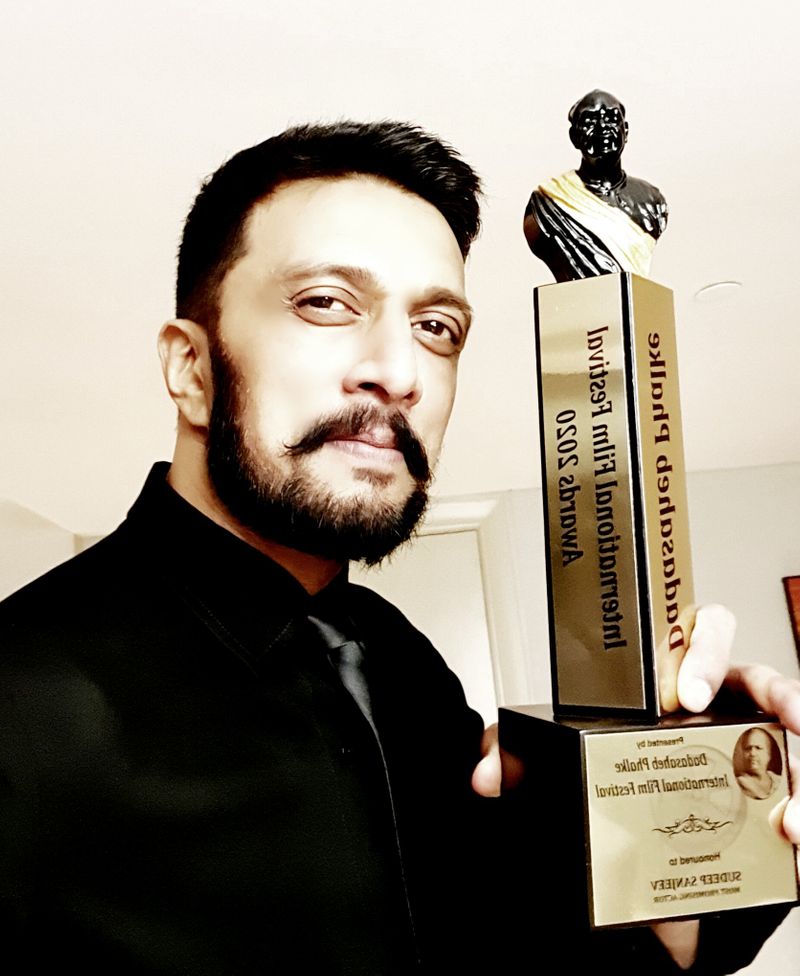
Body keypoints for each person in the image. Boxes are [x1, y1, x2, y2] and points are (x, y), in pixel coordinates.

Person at [0, 121, 797, 973]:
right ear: (191, 370)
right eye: (326, 303)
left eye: (437, 327)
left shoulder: (398, 660)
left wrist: (707, 811)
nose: (401, 372)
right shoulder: (20, 700)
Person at [524, 89, 669, 281]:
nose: (602, 127)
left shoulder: (652, 200)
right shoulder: (548, 201)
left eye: (611, 118)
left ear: (625, 131)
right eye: (590, 121)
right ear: (574, 136)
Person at [736, 727, 783, 799]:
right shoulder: (739, 783)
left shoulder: (778, 781)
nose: (752, 753)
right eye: (748, 748)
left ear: (769, 754)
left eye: (758, 748)